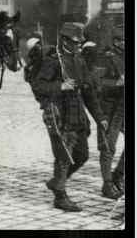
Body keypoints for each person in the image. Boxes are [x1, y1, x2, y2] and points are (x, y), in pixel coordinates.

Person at [27, 22, 107, 212]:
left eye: (80, 43)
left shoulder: (79, 60)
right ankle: (60, 196)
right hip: (58, 113)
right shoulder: (53, 60)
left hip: (77, 113)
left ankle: (56, 182)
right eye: (75, 43)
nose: (79, 46)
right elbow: (37, 85)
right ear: (64, 41)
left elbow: (88, 92)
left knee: (82, 155)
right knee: (63, 156)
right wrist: (59, 86)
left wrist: (100, 117)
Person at [91, 28, 125, 199]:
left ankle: (119, 175)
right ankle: (107, 184)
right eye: (123, 41)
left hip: (124, 107)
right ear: (116, 41)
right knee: (108, 147)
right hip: (108, 108)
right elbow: (96, 82)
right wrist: (117, 82)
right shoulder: (106, 57)